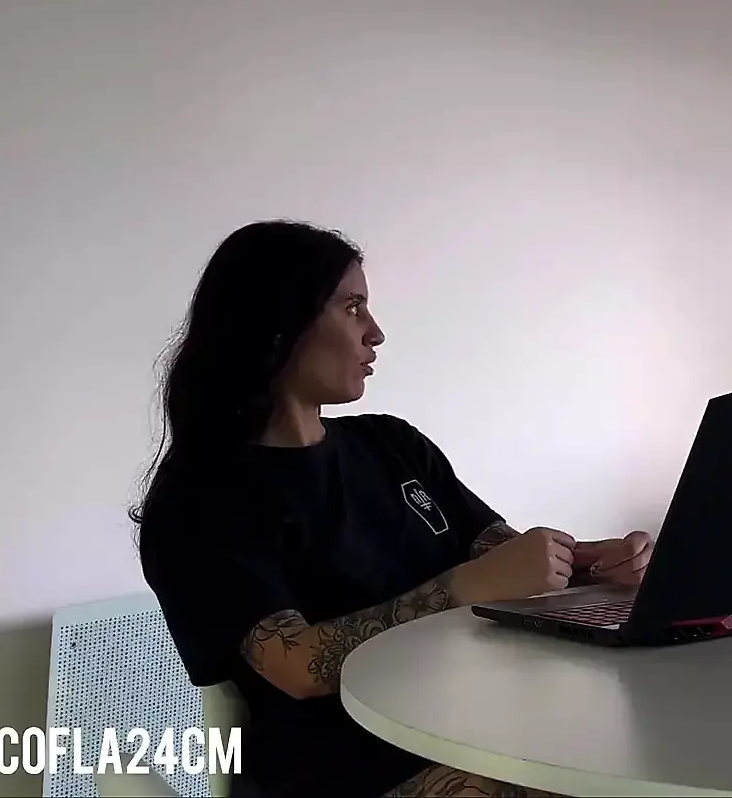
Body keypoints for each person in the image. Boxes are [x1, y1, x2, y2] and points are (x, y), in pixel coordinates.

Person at [133, 220, 656, 798]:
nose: (376, 332)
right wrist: (469, 585)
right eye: (352, 307)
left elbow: (504, 556)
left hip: (475, 721)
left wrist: (596, 565)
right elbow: (299, 665)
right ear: (279, 322)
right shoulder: (200, 497)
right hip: (343, 773)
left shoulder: (392, 445)